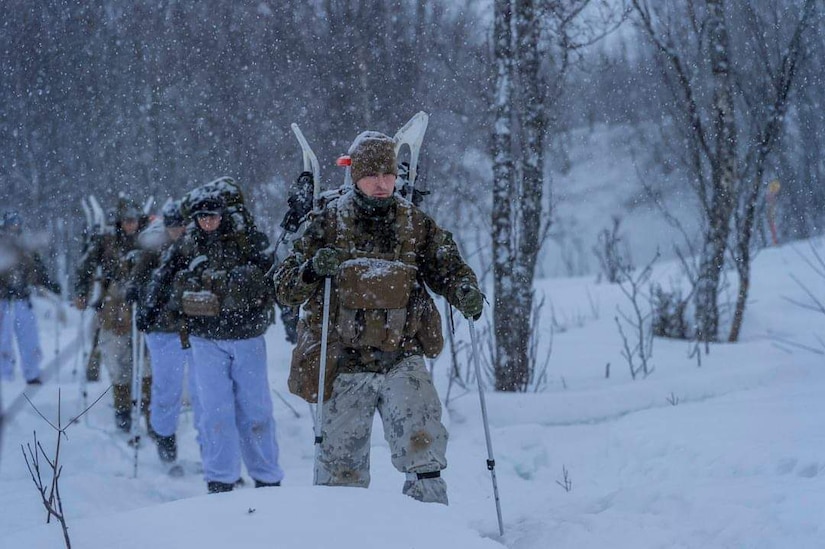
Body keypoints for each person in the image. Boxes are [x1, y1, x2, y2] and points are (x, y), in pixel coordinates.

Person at [273, 131, 484, 505]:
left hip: (402, 358)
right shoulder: (326, 222)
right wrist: (310, 269)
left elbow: (449, 268)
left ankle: (433, 532)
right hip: (343, 363)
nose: (383, 184)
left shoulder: (415, 223)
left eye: (388, 175)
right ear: (355, 176)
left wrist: (464, 291)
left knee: (425, 453)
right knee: (341, 475)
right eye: (372, 175)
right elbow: (284, 287)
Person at [139, 178, 284, 494]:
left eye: (213, 215)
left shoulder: (248, 241)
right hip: (205, 338)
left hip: (247, 336)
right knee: (214, 411)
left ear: (225, 214)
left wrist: (287, 313)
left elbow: (275, 277)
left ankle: (267, 476)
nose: (208, 221)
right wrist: (148, 306)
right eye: (202, 216)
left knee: (256, 410)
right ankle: (220, 478)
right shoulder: (188, 244)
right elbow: (162, 276)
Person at [128, 199, 198, 465]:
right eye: (172, 225)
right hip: (162, 328)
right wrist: (138, 294)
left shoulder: (195, 245)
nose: (177, 230)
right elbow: (137, 279)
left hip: (192, 327)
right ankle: (165, 438)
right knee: (167, 387)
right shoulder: (155, 249)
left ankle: (212, 451)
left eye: (181, 225)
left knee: (199, 390)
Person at [74, 198, 152, 433]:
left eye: (134, 219)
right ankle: (122, 409)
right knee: (118, 362)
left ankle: (149, 410)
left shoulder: (149, 241)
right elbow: (84, 267)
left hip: (144, 308)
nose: (131, 224)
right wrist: (81, 292)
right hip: (113, 308)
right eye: (126, 220)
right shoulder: (105, 241)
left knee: (147, 364)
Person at [0, 211, 61, 384]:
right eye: (11, 225)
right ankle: (4, 375)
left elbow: (38, 269)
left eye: (17, 225)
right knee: (3, 339)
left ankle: (32, 372)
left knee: (29, 337)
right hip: (3, 300)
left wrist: (49, 284)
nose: (14, 228)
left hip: (22, 299)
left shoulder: (24, 248)